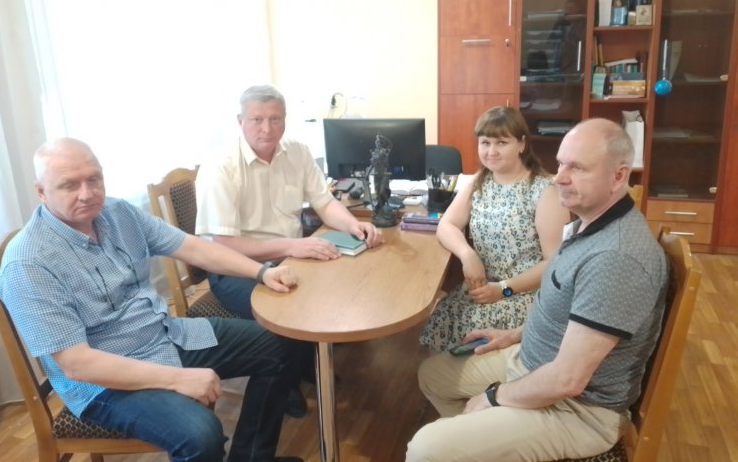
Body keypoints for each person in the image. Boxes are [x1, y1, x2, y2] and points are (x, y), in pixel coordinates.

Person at [0, 138, 304, 462]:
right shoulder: (27, 263)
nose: (87, 193)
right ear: (41, 191)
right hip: (104, 381)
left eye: (94, 179)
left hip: (162, 334)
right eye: (69, 185)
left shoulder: (117, 212)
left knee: (281, 343)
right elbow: (77, 364)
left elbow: (191, 247)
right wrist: (179, 378)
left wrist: (262, 272)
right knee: (200, 435)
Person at [406, 118, 669, 462]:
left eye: (578, 168)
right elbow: (563, 307)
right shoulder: (588, 224)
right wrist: (515, 334)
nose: (559, 177)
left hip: (577, 409)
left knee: (425, 449)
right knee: (432, 375)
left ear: (618, 176)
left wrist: (494, 397)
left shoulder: (616, 257)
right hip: (533, 359)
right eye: (561, 163)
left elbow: (567, 380)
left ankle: (473, 443)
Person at [195, 84, 383, 415]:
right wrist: (293, 246)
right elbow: (224, 245)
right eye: (257, 120)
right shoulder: (220, 166)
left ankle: (303, 362)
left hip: (289, 255)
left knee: (342, 281)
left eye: (275, 119)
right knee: (291, 306)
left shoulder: (297, 151)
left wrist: (354, 225)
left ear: (285, 119)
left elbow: (324, 202)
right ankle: (285, 379)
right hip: (235, 267)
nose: (267, 129)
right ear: (240, 121)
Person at [420, 106, 570, 352]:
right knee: (441, 319)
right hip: (482, 289)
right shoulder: (480, 182)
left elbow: (554, 264)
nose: (491, 151)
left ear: (522, 144)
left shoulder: (545, 191)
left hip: (521, 294)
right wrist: (468, 255)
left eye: (502, 142)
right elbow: (446, 225)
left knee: (467, 330)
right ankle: (446, 373)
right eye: (485, 142)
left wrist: (503, 289)